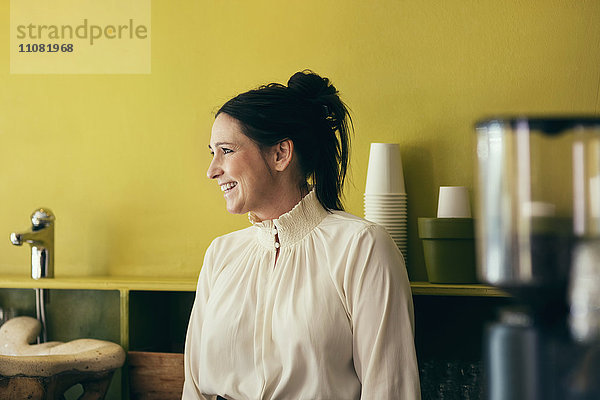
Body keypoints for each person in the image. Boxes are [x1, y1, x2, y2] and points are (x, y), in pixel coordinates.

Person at [183, 70, 420, 399]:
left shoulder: (363, 248)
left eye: (226, 150)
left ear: (280, 154)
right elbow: (194, 389)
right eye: (212, 152)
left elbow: (389, 390)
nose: (212, 170)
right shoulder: (220, 255)